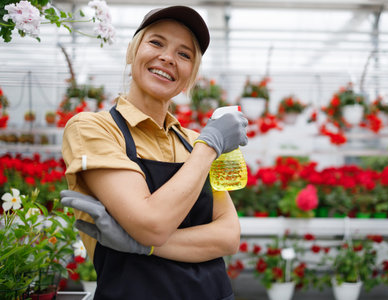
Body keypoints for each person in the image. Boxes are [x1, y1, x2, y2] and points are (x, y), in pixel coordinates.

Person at [60, 5, 248, 299]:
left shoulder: (193, 142)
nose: (167, 58)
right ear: (132, 52)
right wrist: (210, 144)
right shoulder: (94, 128)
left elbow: (227, 237)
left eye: (184, 54)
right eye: (156, 42)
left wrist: (141, 246)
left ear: (190, 76)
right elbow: (152, 224)